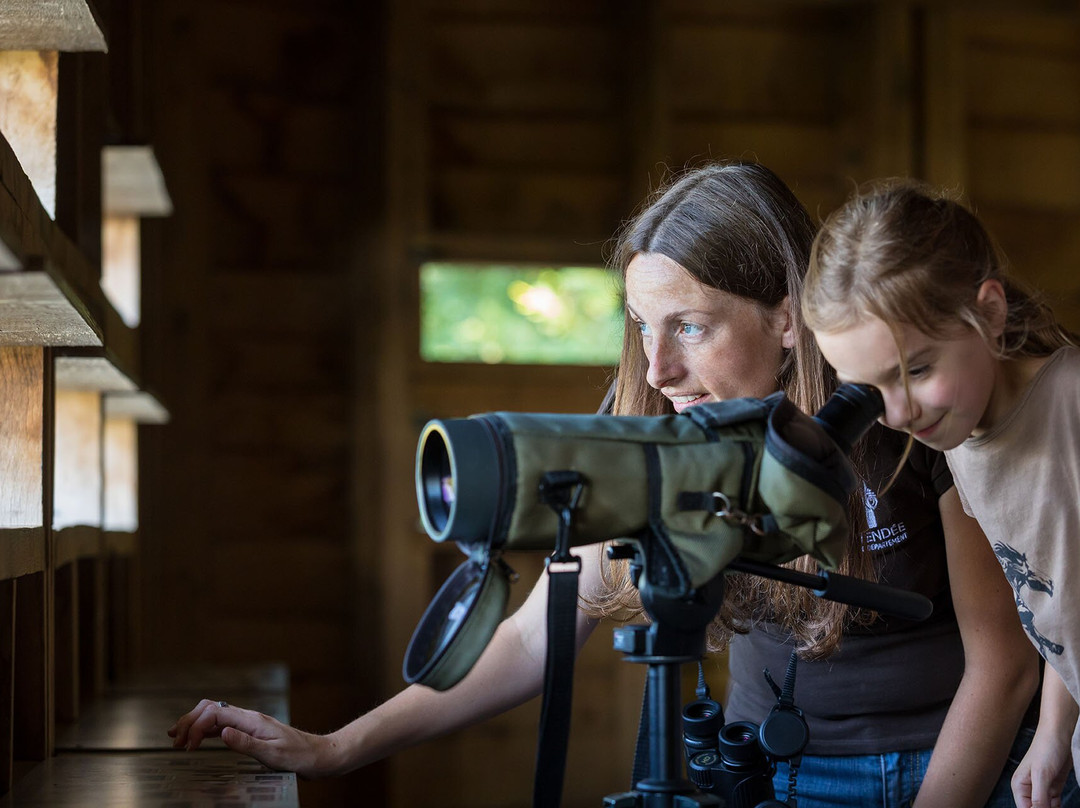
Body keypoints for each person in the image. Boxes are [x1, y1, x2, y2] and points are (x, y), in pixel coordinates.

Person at [170, 162, 1038, 808]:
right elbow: (530, 639)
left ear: (785, 314)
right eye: (643, 328)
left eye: (690, 327)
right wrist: (332, 747)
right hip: (755, 772)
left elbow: (1003, 665)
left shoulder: (909, 416)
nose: (658, 367)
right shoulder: (648, 433)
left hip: (931, 771)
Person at [802, 179, 1080, 808]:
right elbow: (1062, 595)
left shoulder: (1070, 405)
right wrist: (1057, 731)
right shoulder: (957, 436)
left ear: (987, 311)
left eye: (917, 370)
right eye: (869, 391)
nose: (896, 413)